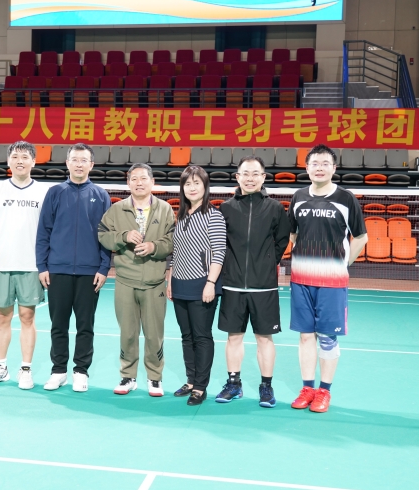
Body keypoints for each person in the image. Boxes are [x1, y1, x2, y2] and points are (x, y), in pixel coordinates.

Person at [288, 144, 367, 413]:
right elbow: (293, 234)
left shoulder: (346, 198)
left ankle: (324, 391)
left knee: (327, 338)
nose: (319, 168)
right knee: (305, 336)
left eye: (325, 163)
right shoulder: (298, 197)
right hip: (301, 280)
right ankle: (307, 388)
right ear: (307, 167)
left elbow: (361, 237)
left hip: (332, 282)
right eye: (315, 163)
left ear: (334, 168)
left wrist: (343, 264)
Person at [216, 156, 291, 408]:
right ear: (237, 177)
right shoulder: (226, 208)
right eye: (245, 174)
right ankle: (233, 384)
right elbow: (221, 243)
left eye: (255, 174)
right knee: (233, 337)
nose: (250, 178)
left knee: (264, 338)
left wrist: (268, 263)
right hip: (232, 284)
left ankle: (266, 387)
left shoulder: (275, 208)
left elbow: (282, 240)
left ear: (263, 177)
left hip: (264, 286)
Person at [37, 143, 111, 393]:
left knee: (85, 326)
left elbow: (106, 235)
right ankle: (58, 371)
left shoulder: (101, 195)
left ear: (92, 164)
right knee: (58, 325)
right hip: (57, 270)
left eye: (84, 160)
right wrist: (42, 265)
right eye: (75, 159)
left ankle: (81, 371)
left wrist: (104, 268)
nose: (79, 164)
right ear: (67, 163)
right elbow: (44, 231)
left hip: (90, 273)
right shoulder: (55, 193)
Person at [98, 163, 174, 397]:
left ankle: (155, 378)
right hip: (125, 281)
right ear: (128, 183)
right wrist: (123, 236)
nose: (139, 183)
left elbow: (172, 240)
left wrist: (154, 247)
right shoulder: (116, 209)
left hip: (154, 282)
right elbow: (102, 235)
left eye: (143, 178)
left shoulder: (165, 209)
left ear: (152, 182)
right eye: (134, 179)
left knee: (154, 334)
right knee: (127, 333)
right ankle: (127, 376)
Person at [0, 141, 49, 390]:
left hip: (32, 265)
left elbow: (49, 230)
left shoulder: (44, 191)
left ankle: (26, 369)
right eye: (15, 156)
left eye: (25, 156)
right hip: (2, 264)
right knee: (2, 316)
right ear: (8, 161)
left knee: (28, 317)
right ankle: (0, 367)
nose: (20, 161)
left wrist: (45, 265)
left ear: (34, 162)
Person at [166, 166, 226, 406]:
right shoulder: (181, 216)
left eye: (196, 183)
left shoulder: (214, 215)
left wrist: (210, 283)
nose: (192, 188)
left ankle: (200, 386)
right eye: (187, 184)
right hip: (179, 283)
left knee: (201, 336)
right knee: (186, 336)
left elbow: (219, 252)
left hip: (203, 284)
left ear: (205, 186)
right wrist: (170, 280)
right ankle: (191, 380)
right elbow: (175, 252)